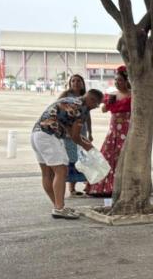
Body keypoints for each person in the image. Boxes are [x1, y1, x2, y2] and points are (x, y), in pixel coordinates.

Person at [31, 89, 102, 219]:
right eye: (97, 105)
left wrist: (82, 140)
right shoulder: (81, 108)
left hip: (36, 134)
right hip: (49, 136)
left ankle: (59, 206)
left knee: (47, 173)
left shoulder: (69, 101)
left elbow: (70, 129)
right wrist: (91, 149)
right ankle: (59, 208)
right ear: (91, 100)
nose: (96, 108)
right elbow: (75, 137)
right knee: (61, 171)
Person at [85, 66, 132, 197]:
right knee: (108, 155)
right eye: (116, 80)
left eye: (120, 80)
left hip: (127, 129)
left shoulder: (133, 94)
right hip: (114, 130)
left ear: (126, 81)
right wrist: (108, 103)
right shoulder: (112, 94)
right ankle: (102, 186)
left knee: (124, 156)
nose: (117, 82)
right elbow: (104, 110)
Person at [59, 74, 92, 197]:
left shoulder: (85, 97)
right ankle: (71, 188)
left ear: (83, 83)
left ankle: (85, 183)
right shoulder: (66, 95)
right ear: (70, 83)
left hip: (81, 131)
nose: (76, 83)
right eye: (73, 81)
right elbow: (58, 110)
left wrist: (90, 132)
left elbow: (88, 117)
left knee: (82, 158)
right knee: (71, 159)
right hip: (69, 133)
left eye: (78, 80)